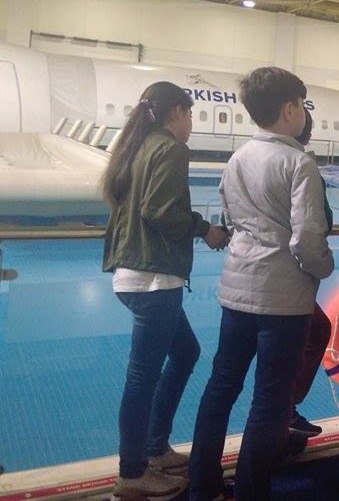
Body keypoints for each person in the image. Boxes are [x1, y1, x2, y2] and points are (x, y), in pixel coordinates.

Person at [189, 68, 334, 501]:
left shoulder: (238, 158)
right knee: (269, 401)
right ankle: (252, 491)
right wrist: (323, 267)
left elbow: (231, 219)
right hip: (282, 301)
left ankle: (203, 485)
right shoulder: (299, 162)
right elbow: (307, 239)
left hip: (236, 291)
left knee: (220, 387)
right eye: (303, 106)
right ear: (290, 109)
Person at [101, 81, 228, 499]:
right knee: (142, 377)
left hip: (132, 271)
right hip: (154, 278)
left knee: (186, 352)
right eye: (191, 114)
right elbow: (160, 212)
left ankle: (154, 448)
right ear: (177, 112)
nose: (191, 123)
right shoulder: (171, 149)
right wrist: (205, 229)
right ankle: (133, 473)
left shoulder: (134, 147)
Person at [289, 110, 334, 437]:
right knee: (316, 330)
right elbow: (316, 226)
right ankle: (285, 414)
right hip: (286, 281)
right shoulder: (304, 168)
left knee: (227, 377)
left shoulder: (241, 159)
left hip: (241, 280)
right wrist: (324, 266)